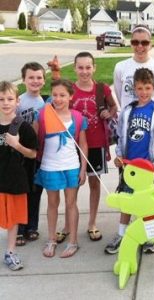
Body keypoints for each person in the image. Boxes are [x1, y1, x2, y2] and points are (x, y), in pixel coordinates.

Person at [104, 68, 154, 255]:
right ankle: (121, 234)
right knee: (127, 201)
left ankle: (150, 236)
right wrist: (119, 156)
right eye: (140, 88)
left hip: (148, 168)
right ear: (134, 88)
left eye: (147, 88)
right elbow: (120, 136)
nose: (144, 92)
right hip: (130, 167)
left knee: (148, 205)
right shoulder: (128, 111)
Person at [61, 51, 117, 242]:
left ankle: (92, 223)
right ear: (74, 68)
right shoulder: (69, 90)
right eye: (80, 67)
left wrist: (109, 114)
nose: (84, 71)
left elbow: (113, 107)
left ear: (94, 68)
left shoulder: (101, 89)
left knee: (94, 183)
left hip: (96, 143)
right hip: (73, 145)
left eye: (88, 67)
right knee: (72, 186)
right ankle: (68, 224)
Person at [34, 79, 88, 258]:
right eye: (55, 95)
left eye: (63, 95)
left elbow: (83, 144)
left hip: (71, 165)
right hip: (50, 166)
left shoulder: (78, 117)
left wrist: (82, 169)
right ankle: (51, 239)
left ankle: (73, 241)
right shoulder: (43, 115)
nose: (58, 99)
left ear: (71, 96)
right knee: (52, 203)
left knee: (71, 203)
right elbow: (34, 139)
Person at [0, 81, 37, 270]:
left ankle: (10, 252)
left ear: (17, 101)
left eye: (9, 99)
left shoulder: (22, 127)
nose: (5, 103)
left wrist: (17, 145)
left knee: (13, 219)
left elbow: (33, 153)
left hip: (15, 180)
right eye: (1, 99)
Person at [16, 62, 46, 246]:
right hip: (20, 154)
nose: (35, 81)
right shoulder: (19, 101)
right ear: (23, 80)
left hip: (39, 154)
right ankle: (19, 228)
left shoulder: (46, 102)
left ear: (44, 80)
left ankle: (31, 227)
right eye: (31, 77)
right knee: (21, 191)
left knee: (36, 191)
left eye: (39, 77)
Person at [113, 24, 154, 109]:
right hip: (128, 119)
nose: (140, 46)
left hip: (151, 119)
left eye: (144, 42)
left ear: (150, 44)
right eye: (135, 42)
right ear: (131, 43)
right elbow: (120, 96)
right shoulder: (120, 67)